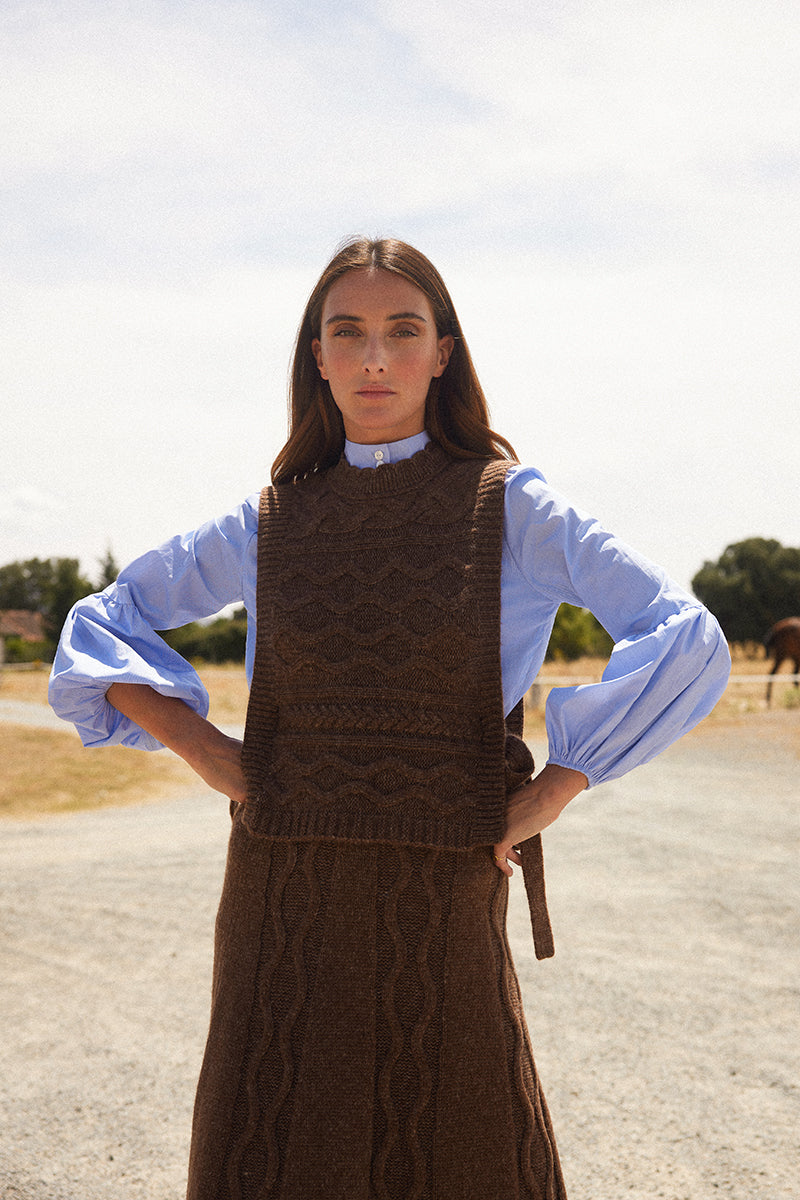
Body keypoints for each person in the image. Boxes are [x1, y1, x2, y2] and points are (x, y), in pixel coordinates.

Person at [49, 237, 730, 1200]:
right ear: (317, 357)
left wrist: (556, 787)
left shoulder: (514, 507)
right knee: (268, 1145)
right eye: (349, 333)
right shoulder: (270, 519)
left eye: (403, 332)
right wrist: (219, 760)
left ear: (443, 352)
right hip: (279, 886)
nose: (376, 358)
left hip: (444, 883)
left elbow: (686, 636)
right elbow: (99, 626)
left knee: (464, 1145)